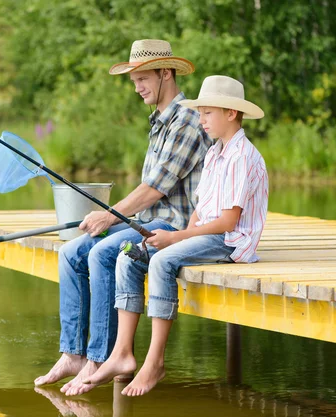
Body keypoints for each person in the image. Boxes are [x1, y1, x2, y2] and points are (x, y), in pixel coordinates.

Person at [34, 39, 213, 396]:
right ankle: (73, 352)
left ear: (166, 73)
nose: (137, 86)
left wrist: (110, 215)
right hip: (148, 220)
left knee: (102, 253)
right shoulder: (161, 121)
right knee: (70, 253)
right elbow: (148, 193)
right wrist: (111, 219)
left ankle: (100, 357)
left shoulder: (188, 121)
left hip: (173, 226)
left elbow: (155, 188)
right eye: (133, 80)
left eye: (143, 78)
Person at [82, 75, 269, 397]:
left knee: (162, 261)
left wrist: (176, 237)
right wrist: (184, 233)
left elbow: (228, 221)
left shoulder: (242, 156)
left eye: (207, 113)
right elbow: (201, 208)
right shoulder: (215, 153)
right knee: (131, 256)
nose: (201, 120)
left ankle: (155, 362)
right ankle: (122, 353)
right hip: (205, 232)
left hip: (231, 240)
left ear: (231, 114)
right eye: (200, 113)